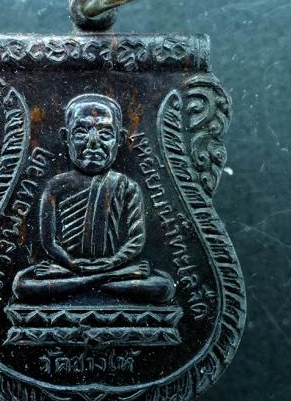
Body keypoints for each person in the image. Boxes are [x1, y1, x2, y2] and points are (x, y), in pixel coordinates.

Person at [12, 93, 175, 303]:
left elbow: (136, 240)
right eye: (81, 132)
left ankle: (87, 281)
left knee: (163, 287)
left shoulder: (127, 186)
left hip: (98, 269)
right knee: (22, 286)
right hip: (72, 267)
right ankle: (103, 281)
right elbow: (49, 242)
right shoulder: (56, 186)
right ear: (65, 137)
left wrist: (111, 263)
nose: (93, 142)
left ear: (120, 139)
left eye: (105, 134)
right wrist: (72, 264)